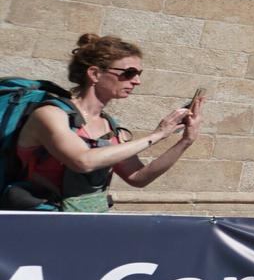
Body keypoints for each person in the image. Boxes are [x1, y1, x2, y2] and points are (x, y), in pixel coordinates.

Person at [8, 35, 201, 212]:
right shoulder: (50, 114)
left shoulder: (112, 129)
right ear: (95, 74)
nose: (137, 81)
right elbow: (82, 161)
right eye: (129, 73)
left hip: (86, 223)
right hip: (36, 223)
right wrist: (157, 135)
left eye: (138, 73)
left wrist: (185, 141)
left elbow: (138, 177)